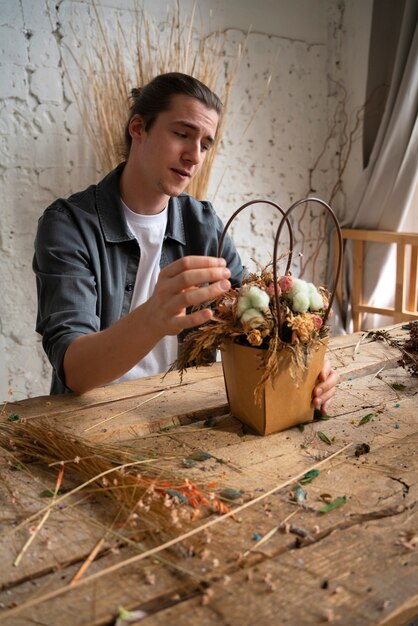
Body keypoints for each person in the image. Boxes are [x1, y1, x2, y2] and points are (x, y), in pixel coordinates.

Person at [33, 72, 338, 412]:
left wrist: (309, 362)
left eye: (205, 144)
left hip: (183, 411)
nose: (194, 156)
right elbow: (75, 370)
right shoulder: (69, 224)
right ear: (138, 128)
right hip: (89, 421)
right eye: (182, 134)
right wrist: (153, 318)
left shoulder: (203, 224)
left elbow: (258, 314)